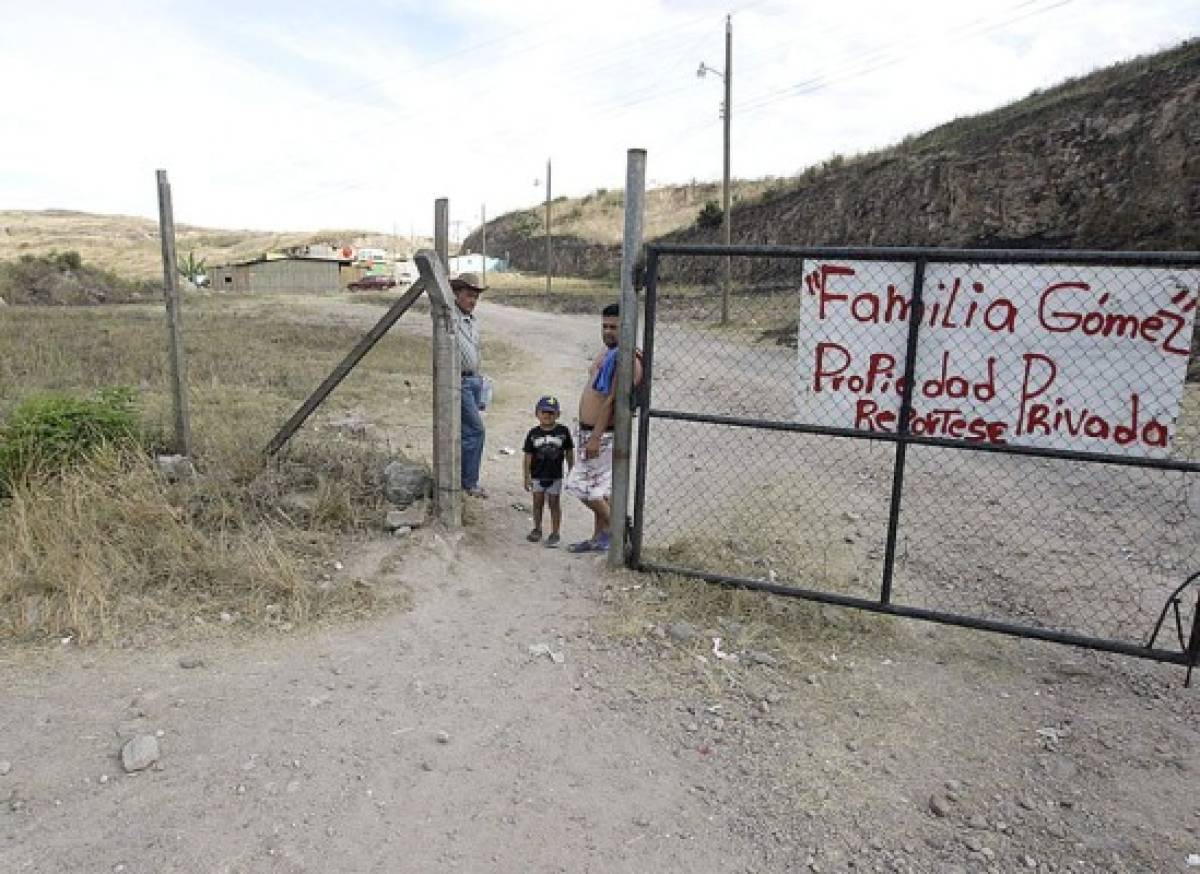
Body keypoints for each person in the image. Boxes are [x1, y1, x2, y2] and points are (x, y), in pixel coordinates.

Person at [564, 303, 641, 553]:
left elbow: (612, 400)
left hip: (602, 434)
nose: (608, 331)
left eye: (614, 327)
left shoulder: (627, 359)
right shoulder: (610, 352)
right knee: (598, 489)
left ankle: (618, 533)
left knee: (581, 487)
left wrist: (596, 436)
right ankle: (600, 538)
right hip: (589, 430)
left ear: (626, 329)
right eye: (604, 326)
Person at [451, 272, 488, 498]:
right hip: (461, 381)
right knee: (476, 431)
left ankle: (462, 478)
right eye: (468, 295)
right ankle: (468, 482)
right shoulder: (450, 316)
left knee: (467, 432)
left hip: (474, 379)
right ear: (456, 295)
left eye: (476, 296)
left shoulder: (472, 321)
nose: (472, 301)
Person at [522, 395, 575, 548]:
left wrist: (572, 470)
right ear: (537, 414)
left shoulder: (563, 432)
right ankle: (537, 529)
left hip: (555, 475)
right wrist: (527, 476)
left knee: (554, 503)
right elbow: (527, 456)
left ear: (558, 414)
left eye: (551, 413)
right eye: (543, 412)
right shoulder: (533, 434)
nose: (547, 415)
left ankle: (555, 532)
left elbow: (569, 452)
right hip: (537, 475)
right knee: (537, 502)